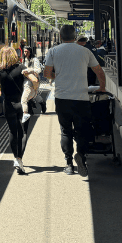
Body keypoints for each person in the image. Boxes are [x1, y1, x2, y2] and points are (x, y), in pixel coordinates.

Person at [44, 24, 107, 177]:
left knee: (65, 132)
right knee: (82, 130)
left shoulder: (53, 51)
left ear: (60, 37)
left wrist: (56, 76)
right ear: (74, 37)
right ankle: (82, 157)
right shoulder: (85, 51)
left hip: (62, 98)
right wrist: (102, 88)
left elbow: (47, 73)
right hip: (81, 98)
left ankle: (68, 164)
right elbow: (99, 71)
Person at [0, 46, 39, 175]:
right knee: (23, 132)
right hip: (23, 104)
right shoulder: (22, 67)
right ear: (14, 55)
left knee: (13, 131)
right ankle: (19, 159)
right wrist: (34, 92)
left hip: (9, 105)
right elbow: (34, 80)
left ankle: (15, 157)